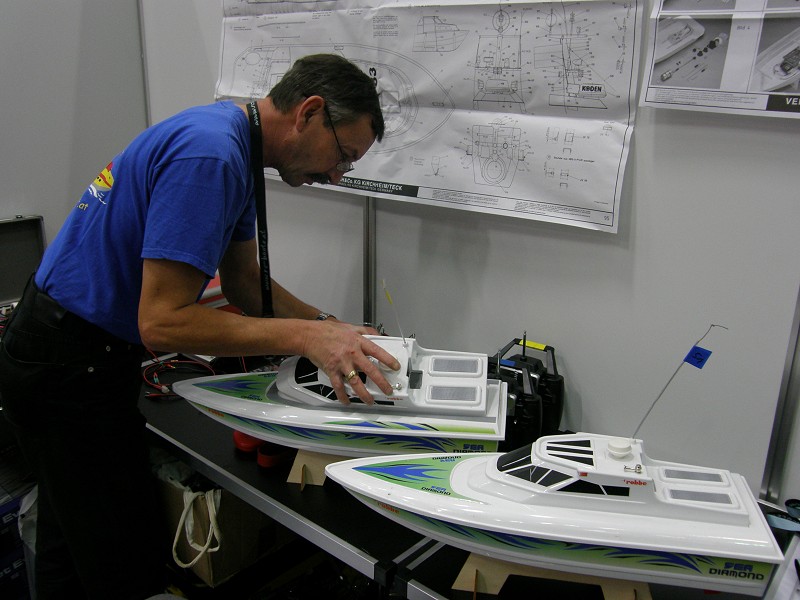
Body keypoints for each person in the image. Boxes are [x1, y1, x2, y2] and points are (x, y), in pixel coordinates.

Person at [0, 53, 400, 599]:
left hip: (60, 349)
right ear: (309, 113)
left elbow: (243, 284)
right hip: (66, 364)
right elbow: (162, 323)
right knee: (122, 567)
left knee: (68, 546)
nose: (335, 175)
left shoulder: (233, 139)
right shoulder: (212, 156)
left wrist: (331, 325)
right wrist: (309, 338)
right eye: (343, 156)